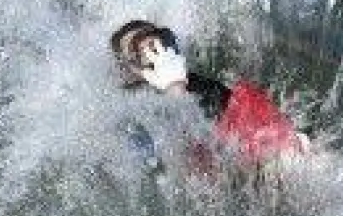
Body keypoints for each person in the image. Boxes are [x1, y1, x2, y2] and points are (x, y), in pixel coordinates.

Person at [109, 19, 306, 165]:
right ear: (128, 71)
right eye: (139, 52)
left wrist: (175, 86)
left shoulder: (198, 86)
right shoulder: (132, 114)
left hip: (251, 144)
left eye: (160, 43)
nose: (154, 53)